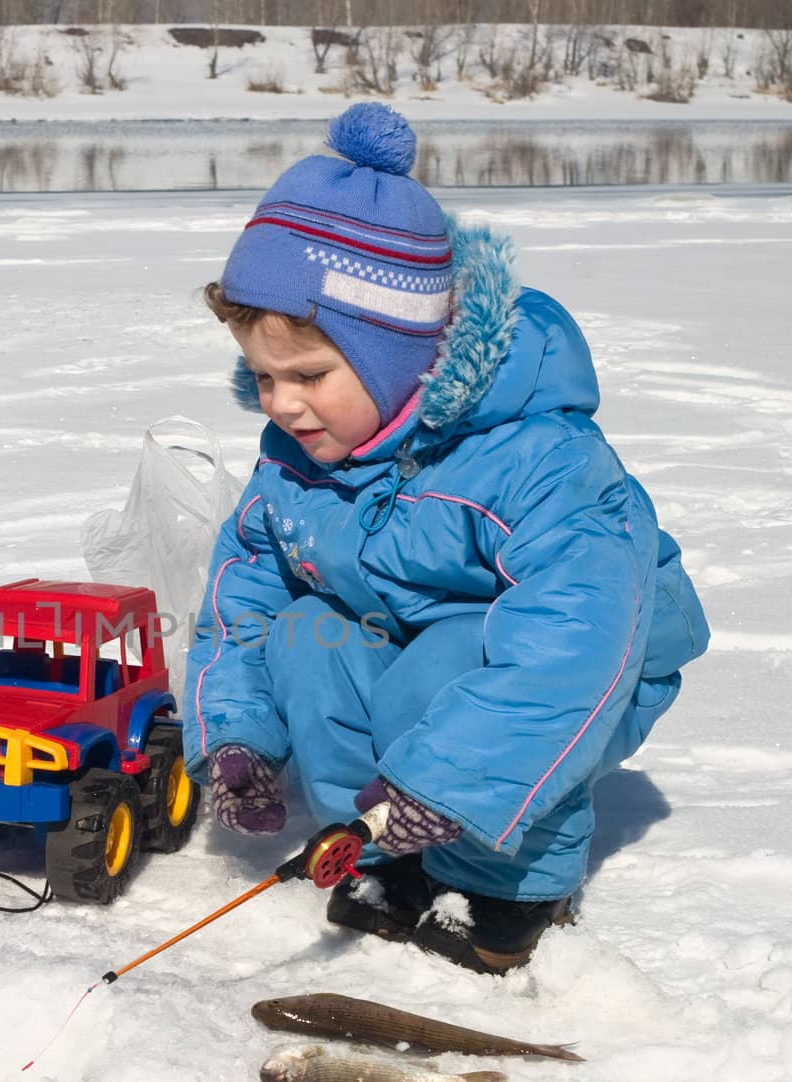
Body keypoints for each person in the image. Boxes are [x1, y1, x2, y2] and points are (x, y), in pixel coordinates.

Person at [181, 104, 709, 975]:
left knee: (451, 658)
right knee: (306, 638)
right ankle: (389, 844)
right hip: (427, 647)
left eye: (308, 375)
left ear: (396, 358)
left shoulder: (539, 459)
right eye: (263, 376)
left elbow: (569, 650)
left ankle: (507, 880)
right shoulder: (300, 457)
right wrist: (238, 734)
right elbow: (244, 594)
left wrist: (448, 783)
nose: (278, 404)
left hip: (591, 675)